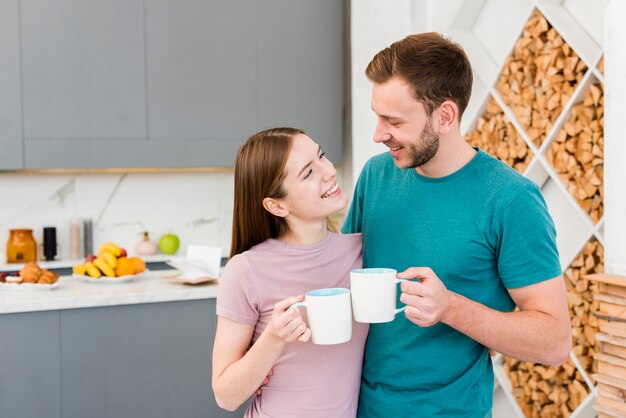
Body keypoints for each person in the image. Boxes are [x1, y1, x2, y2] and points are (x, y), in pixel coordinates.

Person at [341, 33, 572, 417]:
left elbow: (554, 342)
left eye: (394, 121)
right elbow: (341, 274)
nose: (378, 134)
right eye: (377, 116)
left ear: (445, 116)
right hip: (356, 407)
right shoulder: (375, 176)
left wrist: (449, 307)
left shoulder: (511, 200)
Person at [212, 127, 368, 417]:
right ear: (276, 205)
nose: (328, 171)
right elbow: (226, 395)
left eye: (321, 156)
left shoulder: (361, 253)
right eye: (308, 173)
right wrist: (273, 339)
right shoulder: (245, 271)